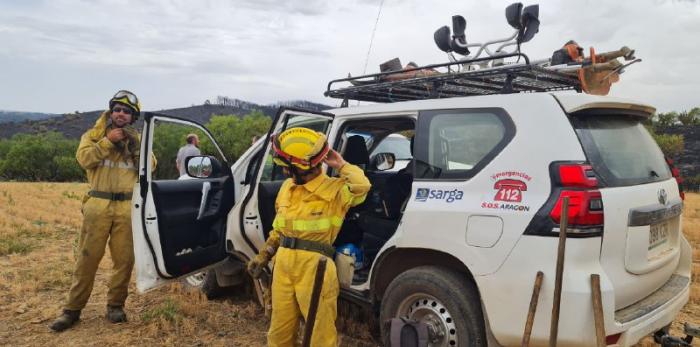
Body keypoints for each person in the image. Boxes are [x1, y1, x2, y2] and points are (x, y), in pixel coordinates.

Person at [247, 127, 371, 347]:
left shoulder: (336, 191)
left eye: (286, 167)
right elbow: (279, 228)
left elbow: (362, 186)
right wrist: (264, 255)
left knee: (320, 334)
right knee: (278, 331)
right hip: (283, 264)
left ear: (298, 167)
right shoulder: (287, 188)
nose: (284, 172)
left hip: (316, 268)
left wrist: (340, 164)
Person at [50, 90, 154, 332]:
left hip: (127, 206)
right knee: (87, 260)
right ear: (111, 112)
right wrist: (108, 141)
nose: (121, 114)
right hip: (98, 204)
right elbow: (84, 159)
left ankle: (115, 306)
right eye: (117, 109)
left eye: (126, 112)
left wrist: (137, 147)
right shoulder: (94, 135)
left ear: (132, 117)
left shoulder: (138, 140)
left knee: (124, 261)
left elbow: (150, 168)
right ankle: (71, 310)